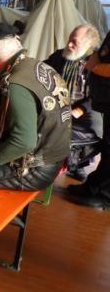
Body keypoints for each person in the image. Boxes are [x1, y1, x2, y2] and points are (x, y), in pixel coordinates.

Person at [0, 23, 72, 191]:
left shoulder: (15, 84)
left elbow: (23, 142)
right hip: (51, 158)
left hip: (33, 170)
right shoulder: (36, 66)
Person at [45, 24, 103, 180]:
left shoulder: (96, 63)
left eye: (75, 42)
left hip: (84, 107)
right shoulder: (59, 55)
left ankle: (77, 164)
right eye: (69, 40)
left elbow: (99, 93)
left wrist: (80, 109)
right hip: (56, 104)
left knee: (97, 130)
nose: (69, 44)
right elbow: (41, 70)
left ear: (89, 44)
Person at [63, 29, 110, 210]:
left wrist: (95, 66)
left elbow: (96, 64)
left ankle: (105, 196)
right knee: (108, 148)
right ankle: (93, 187)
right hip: (105, 99)